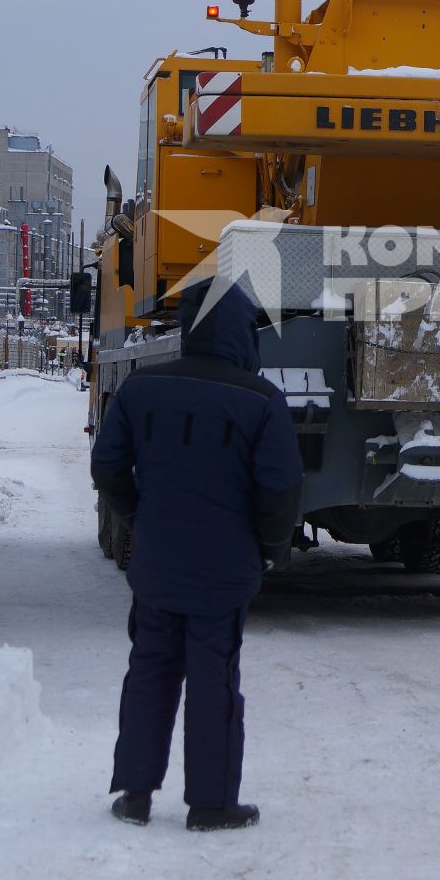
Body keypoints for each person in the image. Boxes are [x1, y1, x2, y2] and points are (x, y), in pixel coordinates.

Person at [91, 279, 303, 831]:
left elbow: (107, 466)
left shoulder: (141, 389)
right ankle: (211, 804)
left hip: (158, 564)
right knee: (214, 681)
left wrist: (138, 516)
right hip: (225, 570)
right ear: (241, 331)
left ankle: (135, 794)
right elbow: (279, 488)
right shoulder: (261, 402)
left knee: (150, 671)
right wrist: (270, 548)